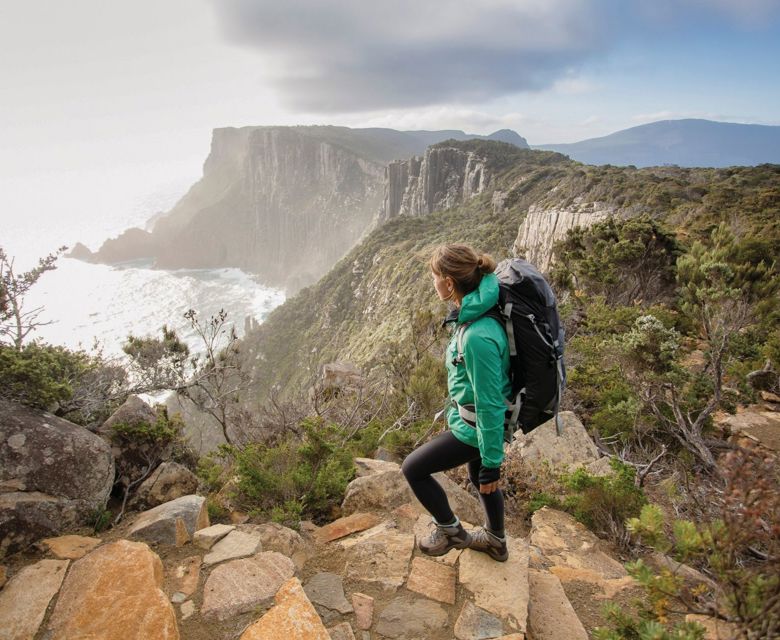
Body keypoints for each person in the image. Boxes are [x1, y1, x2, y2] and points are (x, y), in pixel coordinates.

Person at [401, 243, 512, 562]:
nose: (432, 283)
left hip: (478, 427)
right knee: (479, 478)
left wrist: (493, 462)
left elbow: (490, 404)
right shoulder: (476, 309)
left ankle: (450, 531)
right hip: (473, 422)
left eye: (434, 277)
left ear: (449, 283)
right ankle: (496, 540)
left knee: (414, 468)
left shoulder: (478, 335)